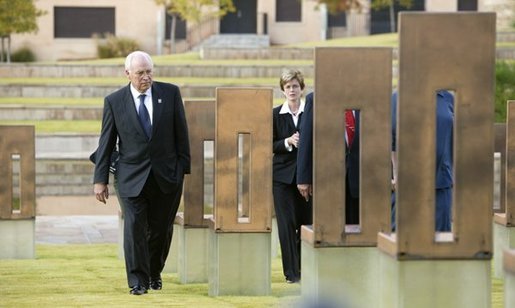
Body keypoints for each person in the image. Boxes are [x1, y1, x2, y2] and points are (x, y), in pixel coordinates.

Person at [93, 50, 190, 295]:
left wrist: (182, 170)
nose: (146, 77)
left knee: (160, 229)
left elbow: (182, 135)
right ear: (128, 74)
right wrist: (100, 180)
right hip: (129, 177)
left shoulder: (170, 93)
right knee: (134, 227)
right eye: (140, 73)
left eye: (149, 72)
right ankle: (137, 280)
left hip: (166, 177)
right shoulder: (114, 102)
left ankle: (154, 272)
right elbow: (106, 142)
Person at [390, 90, 454, 232]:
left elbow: (458, 139)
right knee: (403, 242)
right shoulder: (397, 97)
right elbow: (391, 140)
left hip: (441, 184)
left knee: (441, 243)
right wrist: (396, 174)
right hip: (407, 186)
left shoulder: (448, 98)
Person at [273, 69, 312, 283]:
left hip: (307, 177)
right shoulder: (275, 114)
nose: (292, 90)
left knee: (306, 223)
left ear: (301, 88)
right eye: (288, 87)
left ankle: (305, 269)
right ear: (283, 90)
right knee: (286, 225)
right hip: (282, 179)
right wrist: (287, 142)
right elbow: (269, 144)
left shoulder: (311, 112)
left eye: (295, 86)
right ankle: (291, 273)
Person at [297, 94, 361, 225]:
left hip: (361, 176)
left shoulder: (365, 97)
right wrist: (303, 178)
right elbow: (306, 138)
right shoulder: (316, 98)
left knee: (357, 229)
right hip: (328, 177)